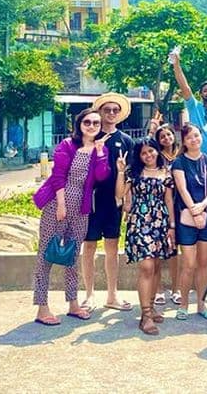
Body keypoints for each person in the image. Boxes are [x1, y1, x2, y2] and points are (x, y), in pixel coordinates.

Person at [31, 108, 110, 326]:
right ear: (79, 124)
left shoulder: (100, 149)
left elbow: (102, 176)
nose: (91, 126)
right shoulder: (67, 145)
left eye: (96, 123)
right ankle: (42, 307)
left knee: (72, 256)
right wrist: (61, 204)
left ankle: (73, 303)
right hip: (57, 204)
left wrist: (101, 153)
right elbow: (57, 176)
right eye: (87, 122)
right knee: (46, 254)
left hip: (81, 209)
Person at [115, 138, 176, 335]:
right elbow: (119, 194)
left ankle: (150, 306)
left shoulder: (166, 172)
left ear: (157, 151)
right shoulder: (134, 173)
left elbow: (169, 201)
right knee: (147, 266)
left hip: (160, 223)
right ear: (139, 156)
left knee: (156, 266)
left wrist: (172, 226)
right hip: (139, 222)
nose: (148, 155)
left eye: (151, 151)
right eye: (143, 153)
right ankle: (146, 315)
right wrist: (120, 171)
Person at [80, 93, 134, 313]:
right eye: (107, 110)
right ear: (99, 112)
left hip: (114, 202)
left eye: (115, 110)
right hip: (91, 200)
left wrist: (127, 200)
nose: (111, 113)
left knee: (112, 246)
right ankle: (89, 295)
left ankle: (112, 294)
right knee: (89, 246)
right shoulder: (89, 136)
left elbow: (130, 174)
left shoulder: (126, 141)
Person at [171, 123, 207, 320]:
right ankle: (183, 304)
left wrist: (203, 206)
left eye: (197, 135)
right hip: (187, 218)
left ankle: (201, 303)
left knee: (203, 263)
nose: (194, 140)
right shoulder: (179, 162)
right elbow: (182, 189)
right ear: (184, 141)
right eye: (189, 137)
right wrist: (195, 211)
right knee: (188, 264)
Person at [151, 119, 182, 307]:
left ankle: (176, 289)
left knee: (173, 249)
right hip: (158, 206)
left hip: (179, 205)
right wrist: (152, 129)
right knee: (157, 250)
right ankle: (159, 289)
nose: (166, 138)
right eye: (162, 136)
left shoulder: (181, 154)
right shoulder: (156, 157)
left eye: (169, 134)